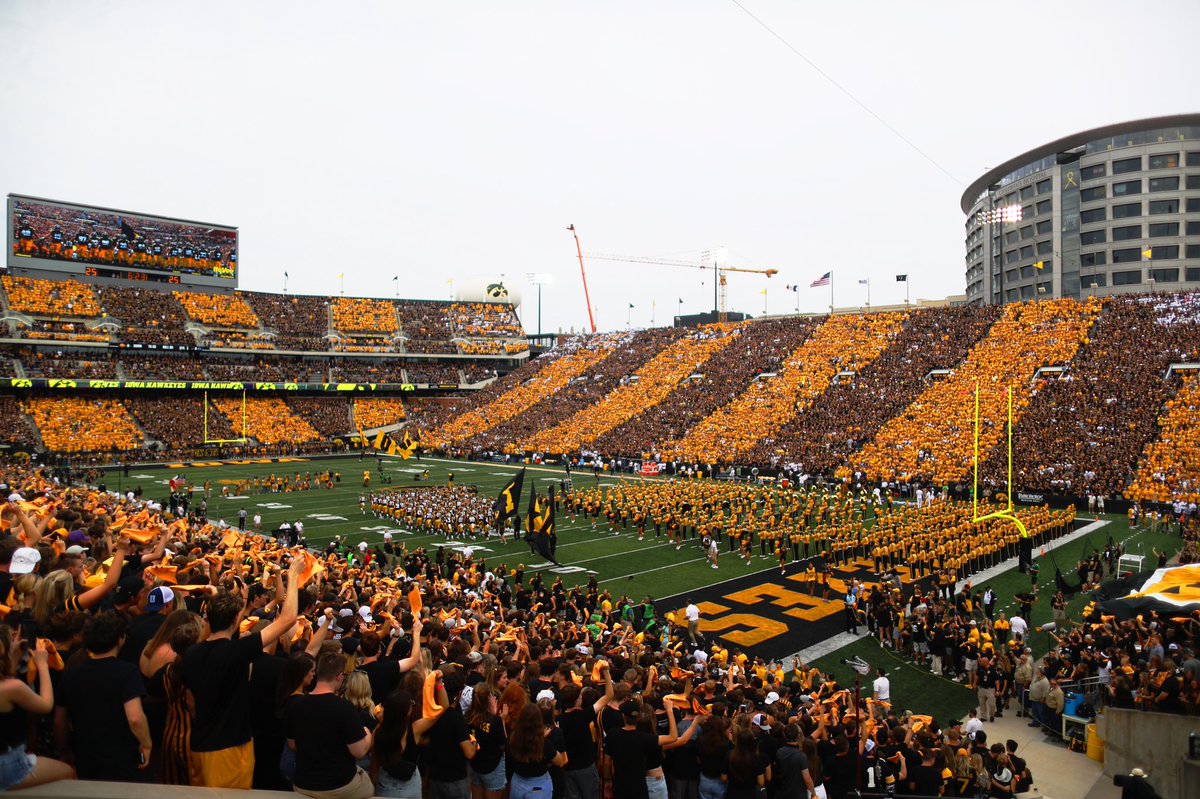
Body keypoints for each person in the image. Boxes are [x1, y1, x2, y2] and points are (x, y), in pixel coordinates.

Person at [182, 555, 303, 788]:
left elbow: (191, 703)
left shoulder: (191, 652)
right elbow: (288, 618)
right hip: (228, 748)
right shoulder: (235, 651)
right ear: (237, 619)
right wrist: (294, 575)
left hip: (198, 743)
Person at [55, 611, 152, 782]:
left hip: (85, 755)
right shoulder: (127, 672)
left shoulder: (71, 674)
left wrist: (64, 750)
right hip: (122, 758)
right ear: (119, 639)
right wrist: (146, 743)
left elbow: (60, 720)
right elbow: (135, 717)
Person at [285, 650, 374, 799]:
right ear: (339, 677)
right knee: (368, 786)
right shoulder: (344, 708)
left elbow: (292, 745)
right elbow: (359, 752)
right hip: (339, 786)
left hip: (303, 783)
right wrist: (368, 735)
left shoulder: (294, 705)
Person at [0, 627, 74, 790]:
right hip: (7, 766)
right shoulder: (12, 688)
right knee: (68, 772)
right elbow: (46, 705)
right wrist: (42, 664)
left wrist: (13, 660)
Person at [507, 702, 566, 799]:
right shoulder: (543, 743)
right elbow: (559, 761)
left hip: (517, 782)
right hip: (538, 786)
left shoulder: (512, 738)